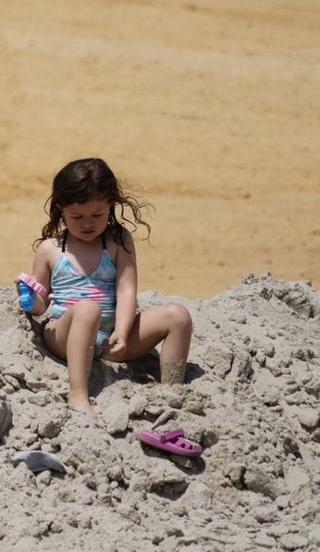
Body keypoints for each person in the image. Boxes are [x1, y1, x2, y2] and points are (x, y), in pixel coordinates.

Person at [16, 157, 192, 413]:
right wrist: (32, 300)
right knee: (88, 309)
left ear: (111, 204)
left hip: (111, 338)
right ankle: (78, 394)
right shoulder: (50, 249)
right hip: (65, 336)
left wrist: (122, 330)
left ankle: (171, 393)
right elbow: (42, 304)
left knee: (178, 316)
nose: (88, 223)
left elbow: (126, 289)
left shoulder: (117, 241)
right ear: (61, 209)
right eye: (77, 216)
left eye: (97, 215)